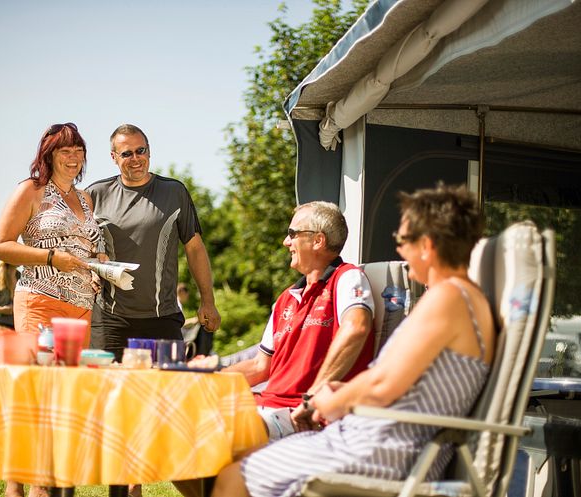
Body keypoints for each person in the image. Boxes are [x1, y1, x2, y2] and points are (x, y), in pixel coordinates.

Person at [211, 183, 496, 497]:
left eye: (403, 240)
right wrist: (340, 388)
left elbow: (381, 386)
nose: (400, 251)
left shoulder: (448, 299)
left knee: (233, 477)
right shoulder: (465, 300)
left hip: (380, 447)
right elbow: (399, 381)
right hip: (382, 437)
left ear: (426, 244)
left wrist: (327, 399)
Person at [0, 122, 106, 497]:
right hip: (40, 302)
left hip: (80, 311)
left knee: (64, 400)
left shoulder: (86, 199)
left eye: (78, 150)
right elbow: (0, 246)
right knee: (35, 396)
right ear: (49, 155)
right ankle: (20, 486)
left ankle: (45, 482)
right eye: (64, 151)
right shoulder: (31, 191)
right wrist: (51, 257)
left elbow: (89, 249)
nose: (73, 157)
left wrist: (102, 265)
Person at [222, 200, 376, 441]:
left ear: (318, 240)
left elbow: (356, 328)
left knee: (214, 431)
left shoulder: (347, 278)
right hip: (266, 407)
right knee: (178, 421)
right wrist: (205, 379)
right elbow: (260, 367)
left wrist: (313, 396)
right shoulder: (286, 298)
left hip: (300, 415)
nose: (286, 242)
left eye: (292, 234)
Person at [86, 124, 220, 362]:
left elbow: (195, 248)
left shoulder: (174, 192)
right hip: (109, 319)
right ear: (114, 157)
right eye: (126, 153)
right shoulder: (96, 194)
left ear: (149, 151)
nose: (136, 158)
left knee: (166, 394)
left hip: (163, 318)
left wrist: (207, 301)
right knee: (106, 393)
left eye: (141, 150)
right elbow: (81, 248)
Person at [178, 282, 211, 356]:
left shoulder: (178, 304)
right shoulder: (177, 304)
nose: (187, 297)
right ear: (182, 292)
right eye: (187, 295)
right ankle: (202, 354)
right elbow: (179, 324)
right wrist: (195, 320)